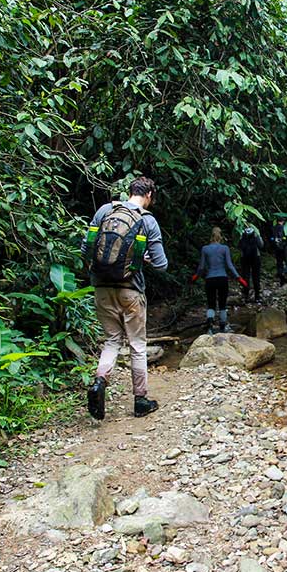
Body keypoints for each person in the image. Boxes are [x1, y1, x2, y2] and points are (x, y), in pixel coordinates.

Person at [83, 176, 167, 420]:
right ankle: (140, 400)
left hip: (101, 287)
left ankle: (100, 382)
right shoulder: (147, 220)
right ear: (149, 195)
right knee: (137, 345)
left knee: (111, 340)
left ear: (129, 191)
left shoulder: (105, 211)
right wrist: (142, 260)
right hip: (131, 290)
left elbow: (85, 248)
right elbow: (161, 264)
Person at [193, 226, 247, 333]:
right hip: (223, 278)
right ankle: (223, 327)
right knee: (222, 304)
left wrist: (195, 277)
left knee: (211, 304)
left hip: (210, 279)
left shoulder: (205, 249)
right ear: (220, 236)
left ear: (211, 236)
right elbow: (230, 265)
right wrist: (239, 278)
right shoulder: (225, 248)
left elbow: (202, 267)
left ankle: (209, 327)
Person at [238, 225, 264, 303]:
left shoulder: (242, 236)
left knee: (245, 276)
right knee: (256, 276)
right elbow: (261, 245)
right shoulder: (256, 236)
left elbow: (239, 246)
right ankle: (257, 296)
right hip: (256, 258)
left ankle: (245, 295)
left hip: (244, 258)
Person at [270, 217, 287, 286]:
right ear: (283, 221)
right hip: (285, 248)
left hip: (276, 248)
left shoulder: (273, 228)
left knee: (279, 263)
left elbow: (271, 238)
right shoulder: (285, 228)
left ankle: (281, 281)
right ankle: (285, 273)